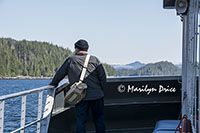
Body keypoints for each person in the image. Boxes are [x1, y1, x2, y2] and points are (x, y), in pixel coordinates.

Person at [49, 39, 106, 133]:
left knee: (81, 121)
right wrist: (101, 90)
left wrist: (53, 84)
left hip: (79, 96)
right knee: (99, 119)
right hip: (97, 95)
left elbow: (59, 74)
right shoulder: (95, 59)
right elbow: (103, 78)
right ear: (87, 49)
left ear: (76, 49)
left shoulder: (71, 60)